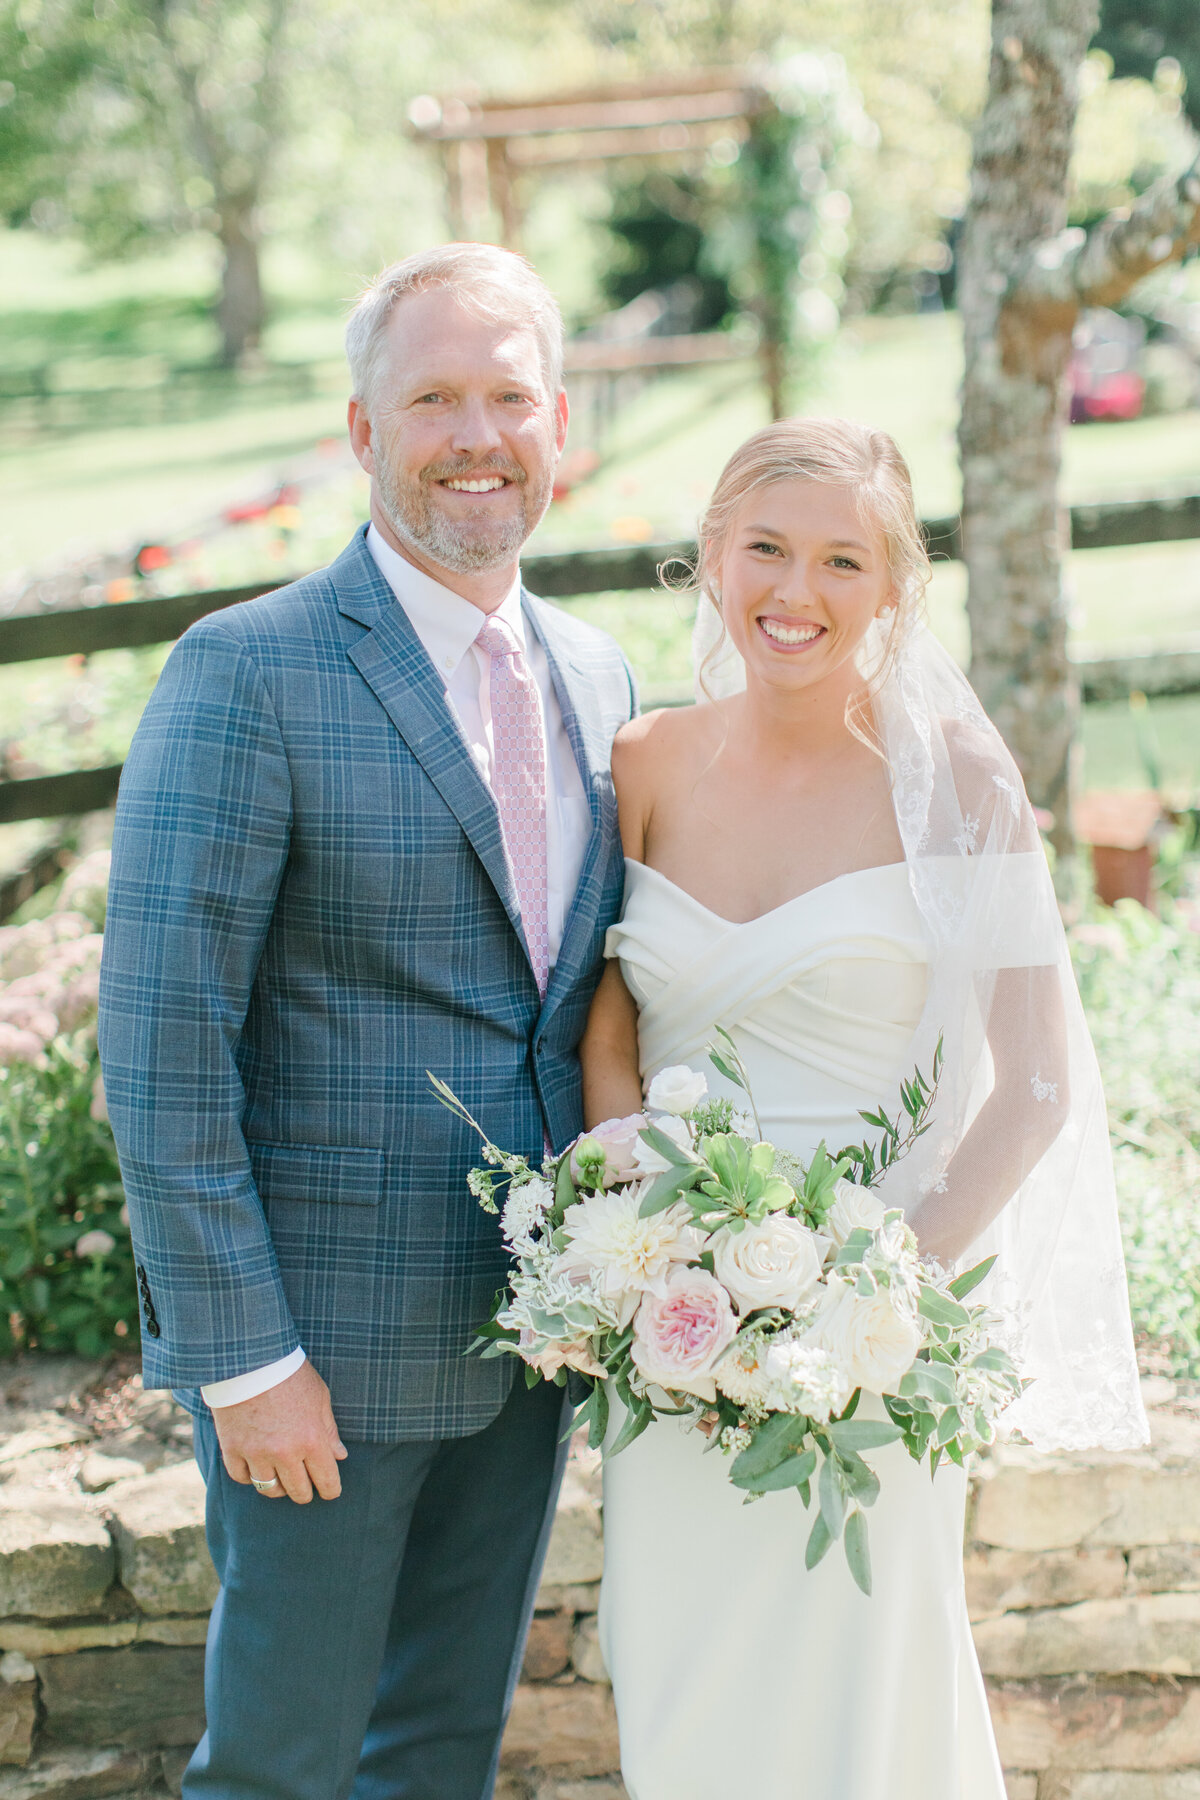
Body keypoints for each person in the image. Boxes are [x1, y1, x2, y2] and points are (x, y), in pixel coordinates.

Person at [97, 242, 635, 1800]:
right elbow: (163, 1045)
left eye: (511, 397)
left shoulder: (597, 675)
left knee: (440, 1757)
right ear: (360, 431)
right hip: (319, 1354)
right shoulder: (246, 673)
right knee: (278, 1767)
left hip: (530, 1334)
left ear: (558, 427)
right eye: (434, 397)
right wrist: (242, 1351)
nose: (478, 433)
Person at [579, 416, 1147, 1800]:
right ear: (710, 557)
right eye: (767, 547)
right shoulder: (641, 765)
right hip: (671, 1332)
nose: (799, 591)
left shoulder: (958, 783)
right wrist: (635, 1223)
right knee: (686, 1682)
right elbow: (611, 1029)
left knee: (863, 1688)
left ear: (894, 591)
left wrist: (873, 1297)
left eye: (846, 560)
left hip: (876, 1343)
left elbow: (1039, 1086)